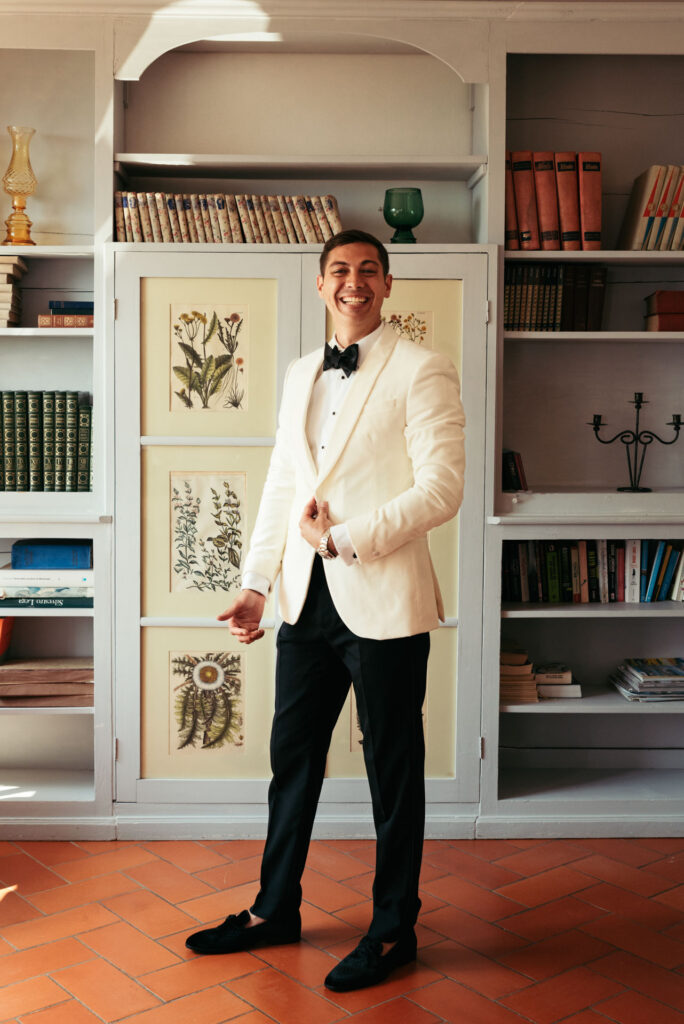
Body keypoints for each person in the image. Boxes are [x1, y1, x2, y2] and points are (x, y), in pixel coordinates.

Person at [186, 228, 466, 992]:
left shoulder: (423, 368)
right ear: (320, 285)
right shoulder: (301, 371)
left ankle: (392, 929)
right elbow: (283, 483)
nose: (354, 282)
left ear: (388, 284)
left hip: (384, 599)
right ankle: (275, 910)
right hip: (304, 602)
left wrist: (343, 540)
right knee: (293, 761)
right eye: (340, 270)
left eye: (369, 270)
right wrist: (254, 582)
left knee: (393, 770)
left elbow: (443, 489)